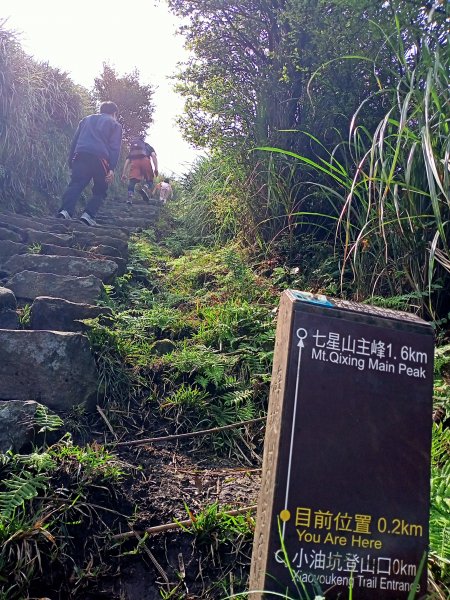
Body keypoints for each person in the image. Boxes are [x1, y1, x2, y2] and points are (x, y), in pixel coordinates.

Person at [57, 101, 122, 226]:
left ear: (100, 110)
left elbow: (75, 141)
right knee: (100, 189)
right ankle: (88, 215)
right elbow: (115, 147)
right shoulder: (115, 124)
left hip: (81, 154)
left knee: (76, 184)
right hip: (100, 158)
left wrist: (71, 160)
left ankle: (65, 211)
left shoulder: (85, 120)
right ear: (114, 113)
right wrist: (111, 168)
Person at [121, 138, 158, 204]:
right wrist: (156, 168)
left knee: (132, 181)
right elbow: (153, 155)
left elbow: (127, 161)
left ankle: (129, 197)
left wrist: (124, 173)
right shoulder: (147, 146)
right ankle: (145, 187)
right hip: (145, 161)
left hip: (135, 162)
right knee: (150, 180)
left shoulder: (133, 149)